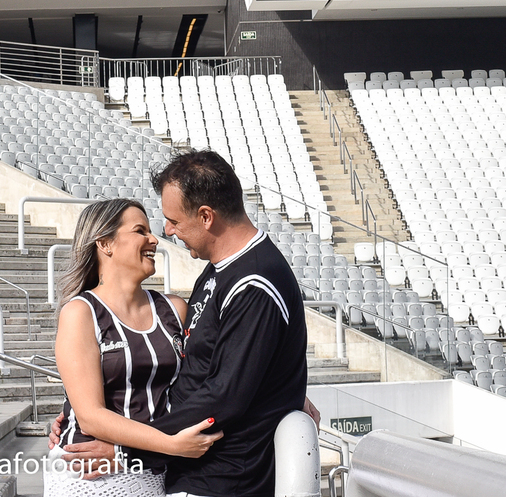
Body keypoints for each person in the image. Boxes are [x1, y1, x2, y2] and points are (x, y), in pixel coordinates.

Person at [52, 150, 312, 497]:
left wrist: (129, 451)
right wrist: (76, 409)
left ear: (206, 216)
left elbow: (226, 393)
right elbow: (203, 368)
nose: (165, 233)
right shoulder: (214, 273)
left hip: (214, 476)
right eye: (143, 229)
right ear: (105, 244)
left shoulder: (250, 283)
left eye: (172, 220)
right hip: (154, 468)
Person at [46, 198, 223, 497]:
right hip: (89, 472)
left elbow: (220, 368)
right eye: (140, 230)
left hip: (154, 470)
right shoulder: (80, 313)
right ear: (106, 244)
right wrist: (171, 444)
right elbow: (90, 415)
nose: (154, 239)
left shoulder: (175, 309)